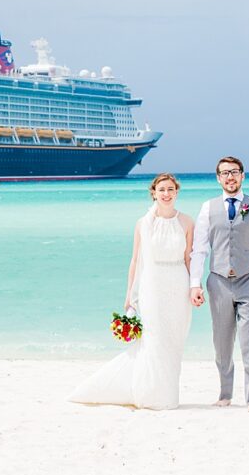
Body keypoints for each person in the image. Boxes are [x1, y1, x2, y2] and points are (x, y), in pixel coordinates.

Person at [70, 173, 194, 410]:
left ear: (176, 192)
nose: (166, 194)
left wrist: (194, 287)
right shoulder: (143, 223)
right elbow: (136, 261)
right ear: (153, 193)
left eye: (170, 189)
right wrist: (130, 295)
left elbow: (189, 258)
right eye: (162, 190)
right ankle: (153, 395)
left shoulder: (187, 222)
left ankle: (166, 392)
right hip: (152, 285)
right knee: (154, 339)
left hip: (179, 284)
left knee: (174, 340)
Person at [189, 156, 249, 413]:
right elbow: (199, 250)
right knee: (221, 343)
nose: (230, 177)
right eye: (224, 173)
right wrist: (194, 283)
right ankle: (225, 393)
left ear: (242, 176)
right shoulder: (208, 208)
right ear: (218, 178)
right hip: (218, 283)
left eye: (234, 172)